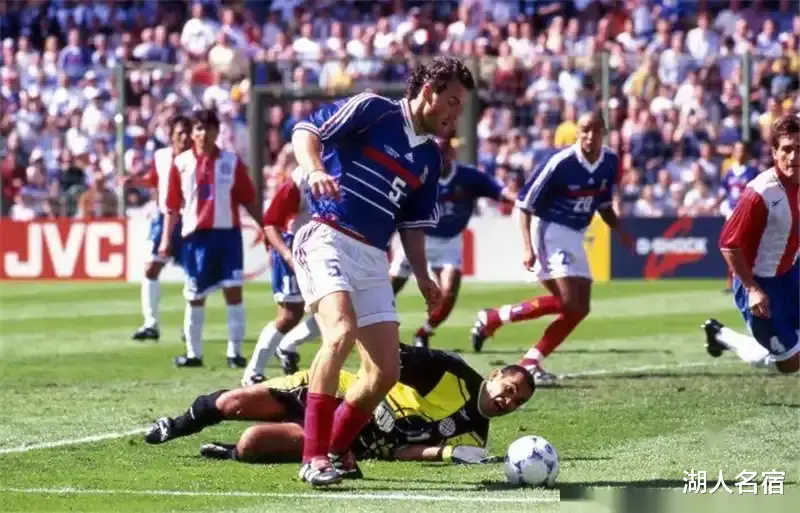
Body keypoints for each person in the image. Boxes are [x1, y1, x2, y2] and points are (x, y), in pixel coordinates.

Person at [290, 56, 475, 486]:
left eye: (461, 107)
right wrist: (315, 169)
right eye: (451, 102)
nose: (455, 115)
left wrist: (423, 275)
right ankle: (312, 458)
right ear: (427, 92)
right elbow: (305, 131)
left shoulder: (430, 157)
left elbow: (412, 224)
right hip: (328, 237)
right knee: (340, 333)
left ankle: (337, 449)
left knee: (385, 372)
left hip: (374, 256)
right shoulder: (374, 109)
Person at [144, 344, 535, 466]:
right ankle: (174, 425)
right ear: (495, 375)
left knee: (251, 443)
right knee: (232, 403)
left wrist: (447, 454)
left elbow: (402, 452)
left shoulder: (475, 438)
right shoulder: (450, 373)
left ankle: (229, 452)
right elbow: (387, 355)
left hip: (347, 437)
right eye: (509, 389)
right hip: (333, 389)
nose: (508, 401)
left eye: (517, 402)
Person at [470, 110, 633, 384]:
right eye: (585, 130)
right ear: (577, 133)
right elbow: (524, 204)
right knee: (570, 303)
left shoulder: (610, 161)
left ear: (604, 133)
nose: (590, 136)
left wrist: (621, 232)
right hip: (550, 231)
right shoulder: (560, 162)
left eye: (595, 130)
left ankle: (499, 323)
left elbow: (604, 204)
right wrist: (527, 247)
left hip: (576, 234)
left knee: (579, 308)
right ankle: (527, 358)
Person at [389, 136, 516, 348]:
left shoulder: (469, 176)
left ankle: (424, 332)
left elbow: (501, 192)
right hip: (418, 238)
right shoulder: (417, 175)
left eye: (444, 152)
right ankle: (362, 323)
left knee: (449, 292)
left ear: (451, 153)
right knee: (389, 288)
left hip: (449, 242)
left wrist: (523, 202)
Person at [161, 109, 263, 368]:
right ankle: (193, 354)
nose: (203, 133)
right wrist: (165, 239)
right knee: (195, 296)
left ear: (217, 131)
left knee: (234, 292)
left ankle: (234, 354)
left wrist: (266, 227)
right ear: (193, 133)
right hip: (196, 239)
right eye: (199, 128)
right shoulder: (181, 163)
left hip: (228, 237)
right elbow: (172, 206)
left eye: (209, 128)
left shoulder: (231, 161)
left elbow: (248, 199)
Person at [702, 115, 799, 374]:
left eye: (799, 148)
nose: (793, 156)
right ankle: (722, 335)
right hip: (759, 282)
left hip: (791, 274)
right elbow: (728, 244)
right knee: (789, 362)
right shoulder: (760, 192)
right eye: (787, 149)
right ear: (774, 152)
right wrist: (752, 289)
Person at [242, 168, 320, 385]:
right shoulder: (299, 180)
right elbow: (270, 223)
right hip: (294, 248)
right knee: (289, 315)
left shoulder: (344, 171)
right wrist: (287, 255)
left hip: (323, 249)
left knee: (333, 311)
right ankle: (252, 373)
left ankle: (287, 346)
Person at [131, 115, 192, 342]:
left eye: (187, 132)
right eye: (179, 133)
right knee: (150, 268)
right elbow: (155, 179)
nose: (184, 137)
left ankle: (190, 327)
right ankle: (151, 324)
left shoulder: (197, 159)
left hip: (189, 219)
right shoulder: (161, 156)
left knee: (193, 276)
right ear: (170, 136)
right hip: (164, 217)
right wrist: (135, 180)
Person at [718, 142, 759, 293]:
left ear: (747, 153)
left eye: (742, 150)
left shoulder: (753, 171)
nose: (739, 153)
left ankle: (748, 280)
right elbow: (723, 191)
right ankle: (731, 282)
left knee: (745, 247)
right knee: (730, 247)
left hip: (746, 214)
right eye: (737, 150)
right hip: (731, 213)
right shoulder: (729, 172)